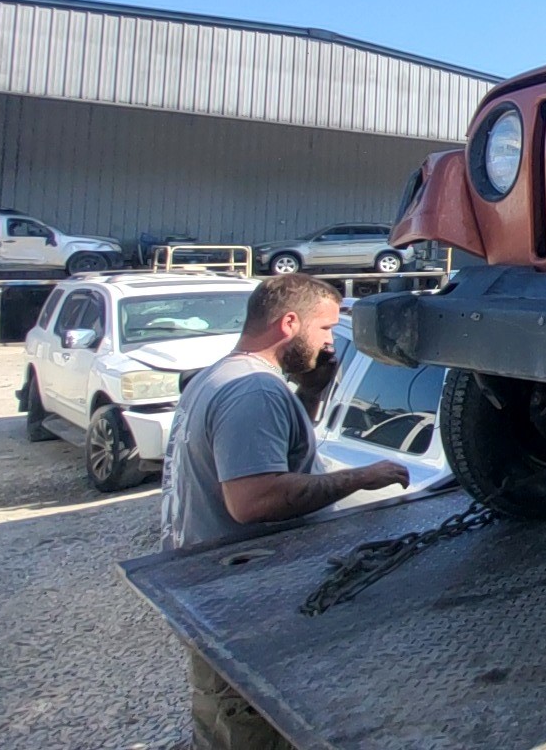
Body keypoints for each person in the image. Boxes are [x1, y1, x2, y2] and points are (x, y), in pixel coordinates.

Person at [159, 273, 409, 750]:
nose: (330, 342)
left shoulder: (221, 375)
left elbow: (268, 455)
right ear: (289, 323)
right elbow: (254, 500)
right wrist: (361, 477)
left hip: (217, 601)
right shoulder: (254, 389)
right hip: (243, 615)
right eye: (324, 330)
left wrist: (311, 393)